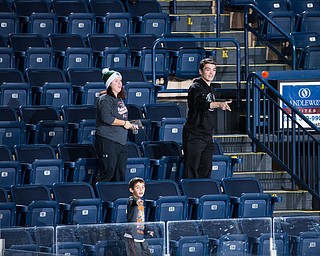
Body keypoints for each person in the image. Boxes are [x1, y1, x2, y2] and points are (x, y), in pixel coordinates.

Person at [183, 58, 232, 179]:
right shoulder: (196, 87)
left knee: (205, 170)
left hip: (207, 136)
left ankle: (203, 194)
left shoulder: (210, 87)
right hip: (195, 135)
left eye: (214, 70)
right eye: (208, 69)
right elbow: (201, 103)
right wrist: (219, 104)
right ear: (201, 71)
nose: (211, 73)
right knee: (192, 170)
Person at [94, 68, 138, 183]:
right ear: (109, 84)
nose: (120, 83)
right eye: (116, 81)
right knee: (108, 173)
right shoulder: (104, 100)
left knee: (120, 175)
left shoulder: (119, 99)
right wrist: (124, 123)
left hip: (121, 142)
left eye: (120, 81)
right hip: (108, 140)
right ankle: (98, 197)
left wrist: (130, 125)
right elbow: (106, 118)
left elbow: (121, 117)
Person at [124, 177, 153, 256]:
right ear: (131, 190)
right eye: (138, 187)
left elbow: (141, 220)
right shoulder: (132, 200)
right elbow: (132, 201)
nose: (141, 189)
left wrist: (147, 230)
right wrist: (136, 201)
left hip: (140, 236)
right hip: (132, 237)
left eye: (143, 187)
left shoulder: (141, 204)